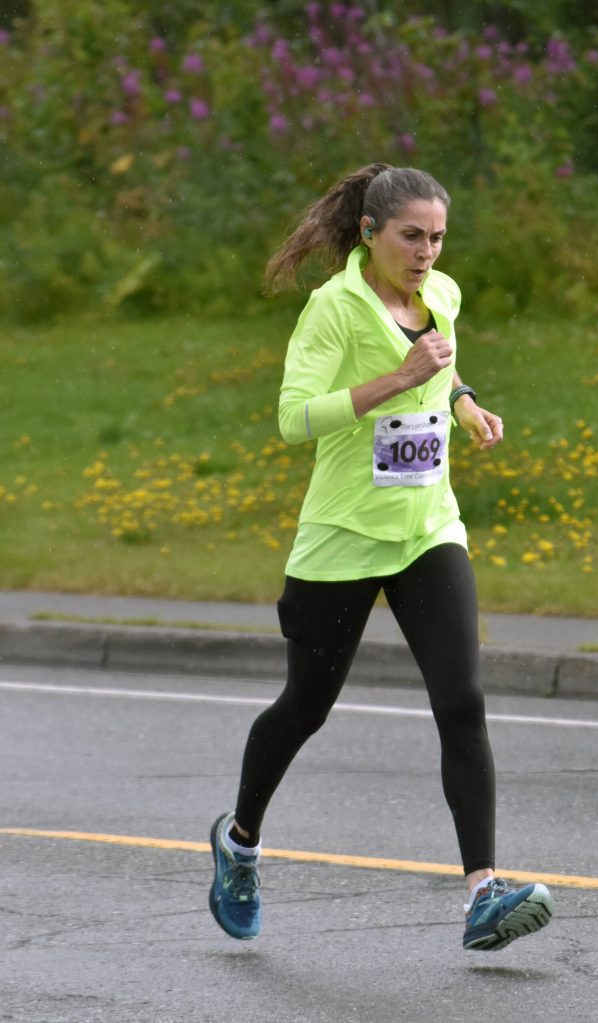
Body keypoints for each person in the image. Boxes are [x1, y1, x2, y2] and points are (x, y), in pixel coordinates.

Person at [208, 163, 553, 951]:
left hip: (427, 527)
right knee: (306, 707)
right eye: (410, 236)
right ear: (369, 233)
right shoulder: (333, 310)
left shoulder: (445, 293)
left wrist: (462, 402)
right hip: (342, 537)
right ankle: (239, 842)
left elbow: (442, 358)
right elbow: (294, 419)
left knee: (461, 701)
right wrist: (394, 379)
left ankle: (483, 893)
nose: (426, 251)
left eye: (436, 236)